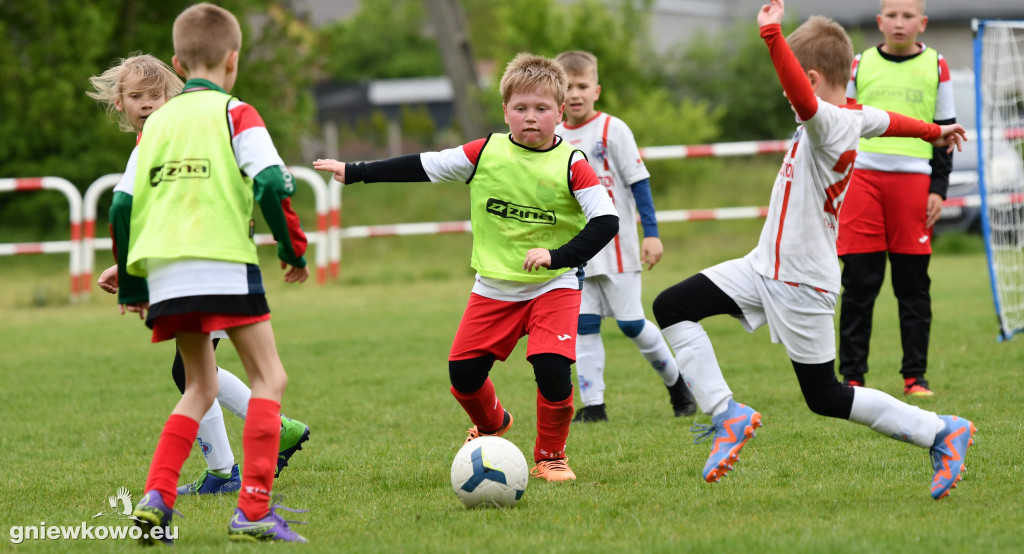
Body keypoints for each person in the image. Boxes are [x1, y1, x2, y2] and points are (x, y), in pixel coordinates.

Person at [651, 0, 975, 500]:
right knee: (672, 305)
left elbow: (805, 100)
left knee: (824, 396)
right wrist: (937, 131)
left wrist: (772, 37)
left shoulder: (827, 122)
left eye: (792, 83)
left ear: (811, 76)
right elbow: (889, 119)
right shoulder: (851, 114)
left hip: (801, 281)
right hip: (763, 268)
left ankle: (940, 432)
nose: (788, 94)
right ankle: (727, 415)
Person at [313, 53, 618, 482]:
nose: (531, 118)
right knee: (464, 376)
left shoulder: (572, 164)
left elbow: (607, 221)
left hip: (554, 284)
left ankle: (551, 457)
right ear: (505, 111)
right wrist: (356, 171)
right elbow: (425, 164)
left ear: (561, 112)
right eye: (521, 108)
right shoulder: (485, 153)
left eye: (542, 109)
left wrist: (559, 256)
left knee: (552, 367)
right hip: (494, 288)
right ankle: (493, 424)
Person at [111, 3, 310, 543]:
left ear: (178, 62)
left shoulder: (153, 128)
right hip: (224, 263)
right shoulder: (237, 113)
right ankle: (252, 510)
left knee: (196, 385)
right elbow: (271, 182)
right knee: (271, 378)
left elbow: (122, 206)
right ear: (233, 61)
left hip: (168, 277)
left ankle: (156, 498)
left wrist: (132, 282)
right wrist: (292, 249)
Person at [553, 51, 695, 422]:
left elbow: (639, 183)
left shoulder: (613, 130)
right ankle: (594, 406)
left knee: (631, 323)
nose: (575, 94)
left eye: (582, 86)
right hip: (577, 249)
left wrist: (652, 234)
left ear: (596, 89)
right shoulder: (552, 137)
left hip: (617, 246)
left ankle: (679, 386)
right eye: (567, 87)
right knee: (583, 325)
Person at [836, 0, 956, 396]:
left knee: (913, 285)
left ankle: (914, 378)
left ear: (922, 23)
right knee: (859, 282)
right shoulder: (858, 63)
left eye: (908, 17)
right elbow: (843, 125)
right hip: (863, 182)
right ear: (879, 22)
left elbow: (944, 132)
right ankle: (852, 377)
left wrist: (939, 187)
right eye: (892, 15)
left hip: (914, 186)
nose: (899, 23)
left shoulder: (938, 65)